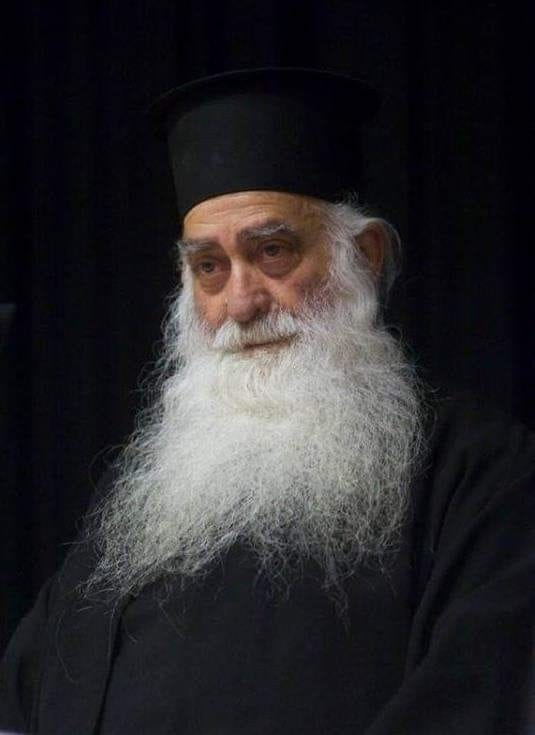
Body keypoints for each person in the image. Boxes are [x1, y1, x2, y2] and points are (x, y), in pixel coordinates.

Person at [1, 68, 533, 735]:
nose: (241, 302)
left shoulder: (480, 471)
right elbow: (28, 693)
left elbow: (479, 702)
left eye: (273, 251)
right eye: (209, 267)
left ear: (363, 257)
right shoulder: (153, 490)